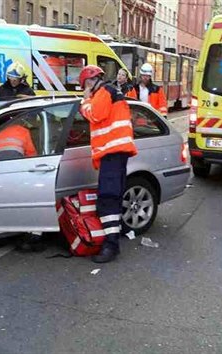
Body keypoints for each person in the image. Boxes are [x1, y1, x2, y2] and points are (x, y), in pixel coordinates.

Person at [79, 65, 138, 263]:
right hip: (117, 152)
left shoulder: (103, 92)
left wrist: (85, 100)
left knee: (108, 197)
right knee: (115, 194)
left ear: (89, 82)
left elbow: (95, 114)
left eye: (85, 86)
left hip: (112, 152)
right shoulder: (112, 91)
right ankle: (117, 233)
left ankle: (111, 245)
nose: (85, 89)